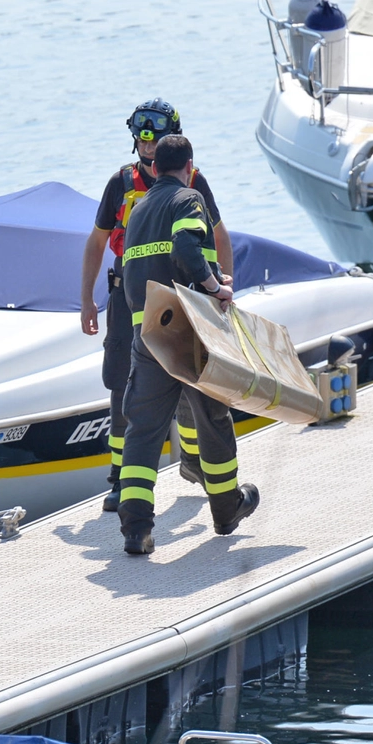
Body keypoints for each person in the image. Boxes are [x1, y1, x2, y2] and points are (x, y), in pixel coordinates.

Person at [79, 99, 232, 512]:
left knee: (189, 380)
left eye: (156, 135)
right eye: (142, 134)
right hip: (128, 296)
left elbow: (218, 239)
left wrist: (222, 294)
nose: (147, 143)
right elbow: (96, 243)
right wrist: (87, 301)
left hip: (181, 294)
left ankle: (195, 464)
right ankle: (119, 480)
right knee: (122, 383)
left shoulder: (194, 183)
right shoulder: (121, 183)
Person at [116, 135, 259, 555]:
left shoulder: (138, 211)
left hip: (148, 334)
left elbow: (138, 267)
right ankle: (226, 509)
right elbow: (184, 247)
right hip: (189, 329)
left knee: (143, 431)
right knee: (212, 418)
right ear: (189, 166)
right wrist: (217, 287)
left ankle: (135, 529)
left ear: (154, 168)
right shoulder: (188, 198)